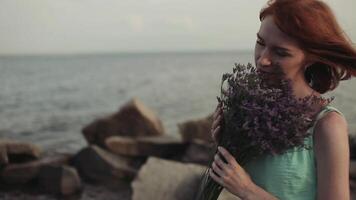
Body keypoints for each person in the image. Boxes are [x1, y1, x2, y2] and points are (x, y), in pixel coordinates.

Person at [209, 0, 356, 199]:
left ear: (311, 57)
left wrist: (248, 190)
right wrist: (227, 144)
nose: (262, 60)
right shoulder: (252, 108)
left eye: (281, 52)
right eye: (260, 43)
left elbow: (245, 186)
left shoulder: (327, 125)